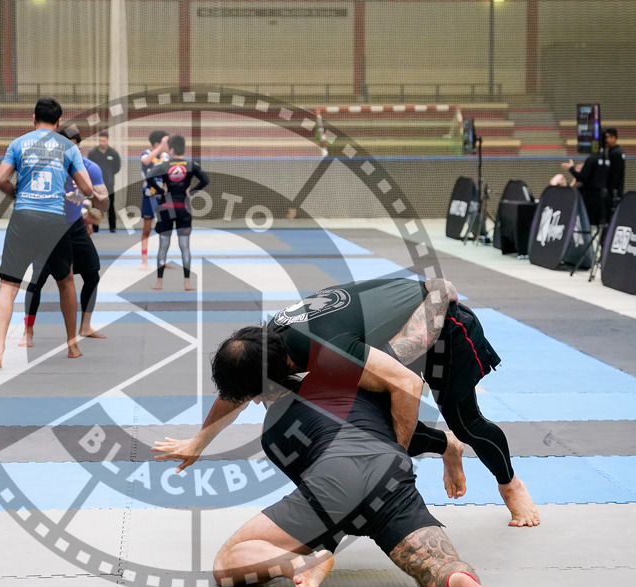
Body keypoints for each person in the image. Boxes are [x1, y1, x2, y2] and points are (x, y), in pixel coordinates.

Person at [157, 329, 517, 587]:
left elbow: (331, 510)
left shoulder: (273, 433)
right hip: (391, 468)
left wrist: (312, 552)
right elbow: (407, 422)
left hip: (334, 480)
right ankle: (458, 581)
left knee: (228, 562)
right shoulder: (349, 377)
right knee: (436, 565)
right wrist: (440, 448)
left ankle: (299, 565)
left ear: (252, 396)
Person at [154, 277, 540, 527]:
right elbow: (238, 388)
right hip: (385, 345)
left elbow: (406, 385)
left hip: (444, 328)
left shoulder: (327, 350)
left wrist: (393, 464)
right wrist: (200, 441)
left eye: (258, 393)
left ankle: (511, 485)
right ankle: (446, 447)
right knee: (367, 420)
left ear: (276, 370)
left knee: (464, 422)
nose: (255, 402)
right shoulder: (265, 345)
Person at [0, 97, 103, 368]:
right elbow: (87, 189)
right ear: (59, 121)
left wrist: (16, 193)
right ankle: (72, 345)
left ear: (33, 118)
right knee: (66, 281)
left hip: (23, 217)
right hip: (53, 219)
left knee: (8, 285)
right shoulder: (68, 146)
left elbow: (0, 179)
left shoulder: (18, 143)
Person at [21, 127, 109, 347]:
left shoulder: (90, 168)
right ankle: (28, 330)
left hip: (74, 225)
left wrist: (89, 196)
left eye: (74, 146)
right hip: (48, 227)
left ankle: (85, 325)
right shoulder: (47, 166)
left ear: (79, 146)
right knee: (37, 279)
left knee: (92, 273)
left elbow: (105, 202)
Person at [145, 134, 208, 291]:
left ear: (171, 150)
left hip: (166, 206)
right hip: (183, 207)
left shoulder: (164, 165)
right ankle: (187, 282)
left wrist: (161, 190)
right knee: (184, 246)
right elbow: (205, 180)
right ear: (183, 149)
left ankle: (159, 282)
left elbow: (149, 177)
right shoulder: (191, 165)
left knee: (163, 245)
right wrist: (191, 190)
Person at [139, 130, 170, 269]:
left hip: (162, 196)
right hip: (149, 195)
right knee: (147, 229)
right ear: (157, 143)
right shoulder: (145, 154)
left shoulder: (165, 156)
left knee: (164, 229)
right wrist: (160, 146)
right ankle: (144, 261)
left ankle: (162, 259)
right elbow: (146, 161)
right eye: (164, 143)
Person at [561, 140, 609, 226]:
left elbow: (582, 177)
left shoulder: (592, 159)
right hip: (602, 197)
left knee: (590, 221)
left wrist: (571, 169)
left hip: (591, 198)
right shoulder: (606, 159)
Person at [86, 131, 121, 233]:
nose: (101, 143)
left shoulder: (113, 153)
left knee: (110, 206)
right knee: (95, 206)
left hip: (109, 184)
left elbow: (117, 167)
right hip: (96, 185)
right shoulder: (93, 153)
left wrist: (109, 175)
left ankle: (112, 228)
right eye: (100, 141)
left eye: (103, 141)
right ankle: (95, 227)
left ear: (107, 140)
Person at [604, 127, 625, 209]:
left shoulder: (615, 153)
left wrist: (613, 190)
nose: (605, 140)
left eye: (607, 137)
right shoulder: (616, 151)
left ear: (613, 138)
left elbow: (615, 174)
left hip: (614, 191)